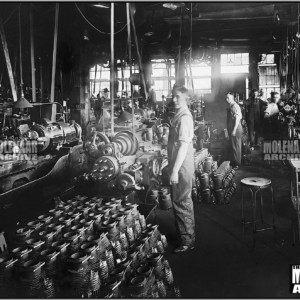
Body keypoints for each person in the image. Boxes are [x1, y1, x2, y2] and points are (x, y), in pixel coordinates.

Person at [167, 85, 195, 253]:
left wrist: (175, 170)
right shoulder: (179, 115)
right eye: (173, 96)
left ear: (186, 99)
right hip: (181, 163)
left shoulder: (184, 118)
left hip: (182, 165)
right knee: (180, 200)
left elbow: (183, 147)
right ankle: (184, 235)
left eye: (177, 97)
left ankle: (187, 241)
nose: (174, 99)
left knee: (182, 202)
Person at [226, 92, 243, 169]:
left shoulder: (235, 106)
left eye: (228, 98)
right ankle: (235, 163)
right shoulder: (231, 106)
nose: (226, 99)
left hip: (236, 129)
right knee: (234, 146)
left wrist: (234, 130)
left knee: (236, 147)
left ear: (232, 98)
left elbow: (237, 118)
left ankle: (237, 164)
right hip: (233, 129)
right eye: (226, 98)